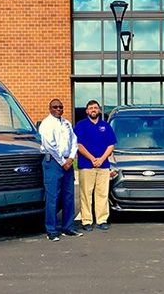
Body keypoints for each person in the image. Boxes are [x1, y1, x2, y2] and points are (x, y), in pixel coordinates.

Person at [39, 99, 83, 242]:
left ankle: (68, 227)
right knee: (53, 197)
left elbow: (74, 141)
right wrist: (63, 161)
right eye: (55, 107)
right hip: (53, 162)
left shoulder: (66, 123)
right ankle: (51, 230)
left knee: (69, 196)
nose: (58, 109)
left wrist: (70, 158)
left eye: (60, 107)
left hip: (67, 163)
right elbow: (49, 145)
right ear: (50, 108)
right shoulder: (47, 124)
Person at [74, 100, 117, 232]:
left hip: (103, 165)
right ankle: (87, 220)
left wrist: (101, 159)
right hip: (86, 165)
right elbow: (78, 145)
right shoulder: (81, 125)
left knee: (102, 194)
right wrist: (92, 158)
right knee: (86, 194)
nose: (93, 110)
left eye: (96, 108)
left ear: (99, 110)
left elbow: (111, 145)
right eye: (91, 108)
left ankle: (101, 219)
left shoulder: (105, 126)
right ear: (87, 111)